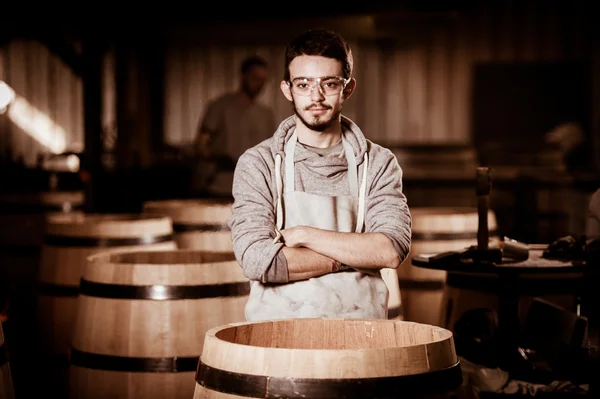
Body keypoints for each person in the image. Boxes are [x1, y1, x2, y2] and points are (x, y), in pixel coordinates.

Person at [227, 28, 412, 321]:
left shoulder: (377, 163)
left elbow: (389, 251)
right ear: (287, 89)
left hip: (361, 339)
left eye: (329, 83)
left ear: (347, 88)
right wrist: (354, 258)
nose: (316, 96)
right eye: (303, 84)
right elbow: (258, 261)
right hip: (277, 339)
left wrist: (304, 235)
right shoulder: (259, 163)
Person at [192, 55, 277, 196]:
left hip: (255, 189)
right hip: (222, 186)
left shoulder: (266, 114)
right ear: (243, 76)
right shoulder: (220, 106)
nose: (259, 84)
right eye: (255, 78)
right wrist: (218, 159)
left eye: (263, 80)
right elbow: (201, 144)